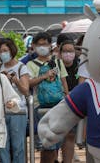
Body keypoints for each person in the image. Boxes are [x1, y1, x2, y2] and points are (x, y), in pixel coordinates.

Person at [27, 32, 68, 163]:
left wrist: (66, 98)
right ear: (33, 46)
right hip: (40, 106)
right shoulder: (30, 64)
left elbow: (63, 82)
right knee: (47, 143)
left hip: (58, 105)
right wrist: (44, 76)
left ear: (50, 45)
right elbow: (29, 83)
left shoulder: (58, 62)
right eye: (39, 45)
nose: (42, 47)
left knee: (56, 142)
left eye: (45, 44)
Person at [0, 38, 30, 163]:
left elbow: (26, 90)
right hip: (1, 110)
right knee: (3, 145)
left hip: (18, 110)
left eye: (5, 50)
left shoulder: (21, 67)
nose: (3, 53)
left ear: (12, 51)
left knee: (18, 145)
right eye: (0, 51)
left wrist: (14, 80)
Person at [59, 39, 79, 163]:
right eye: (65, 51)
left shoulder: (80, 64)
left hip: (76, 102)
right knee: (60, 135)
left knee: (70, 134)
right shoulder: (56, 64)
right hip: (61, 102)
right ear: (60, 52)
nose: (68, 54)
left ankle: (68, 159)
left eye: (70, 51)